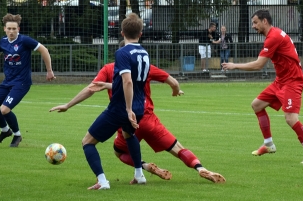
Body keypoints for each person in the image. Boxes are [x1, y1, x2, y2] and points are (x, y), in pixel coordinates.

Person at [50, 62, 225, 184]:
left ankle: (143, 167)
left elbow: (92, 88)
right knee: (178, 149)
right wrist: (176, 91)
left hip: (125, 119)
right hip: (147, 119)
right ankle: (200, 168)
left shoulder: (110, 68)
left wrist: (68, 105)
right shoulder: (145, 67)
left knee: (118, 152)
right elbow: (173, 81)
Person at [222, 9, 303, 164]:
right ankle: (268, 144)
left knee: (291, 118)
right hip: (281, 81)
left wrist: (234, 66)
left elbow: (258, 65)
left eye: (255, 22)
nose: (253, 26)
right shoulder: (274, 34)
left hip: (292, 81)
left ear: (264, 21)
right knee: (257, 105)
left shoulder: (273, 37)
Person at [73, 13, 149, 190]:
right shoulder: (144, 53)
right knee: (129, 135)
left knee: (87, 142)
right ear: (140, 34)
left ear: (122, 33)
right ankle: (139, 175)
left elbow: (128, 81)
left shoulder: (122, 52)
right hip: (140, 105)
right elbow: (138, 82)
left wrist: (128, 109)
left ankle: (102, 181)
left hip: (121, 107)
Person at [0, 13, 55, 148]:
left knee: (4, 110)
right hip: (7, 81)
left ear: (19, 29)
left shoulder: (25, 41)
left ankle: (17, 135)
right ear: (4, 29)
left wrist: (49, 70)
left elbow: (44, 50)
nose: (11, 31)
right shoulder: (3, 41)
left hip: (22, 82)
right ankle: (5, 131)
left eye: (14, 29)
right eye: (9, 29)